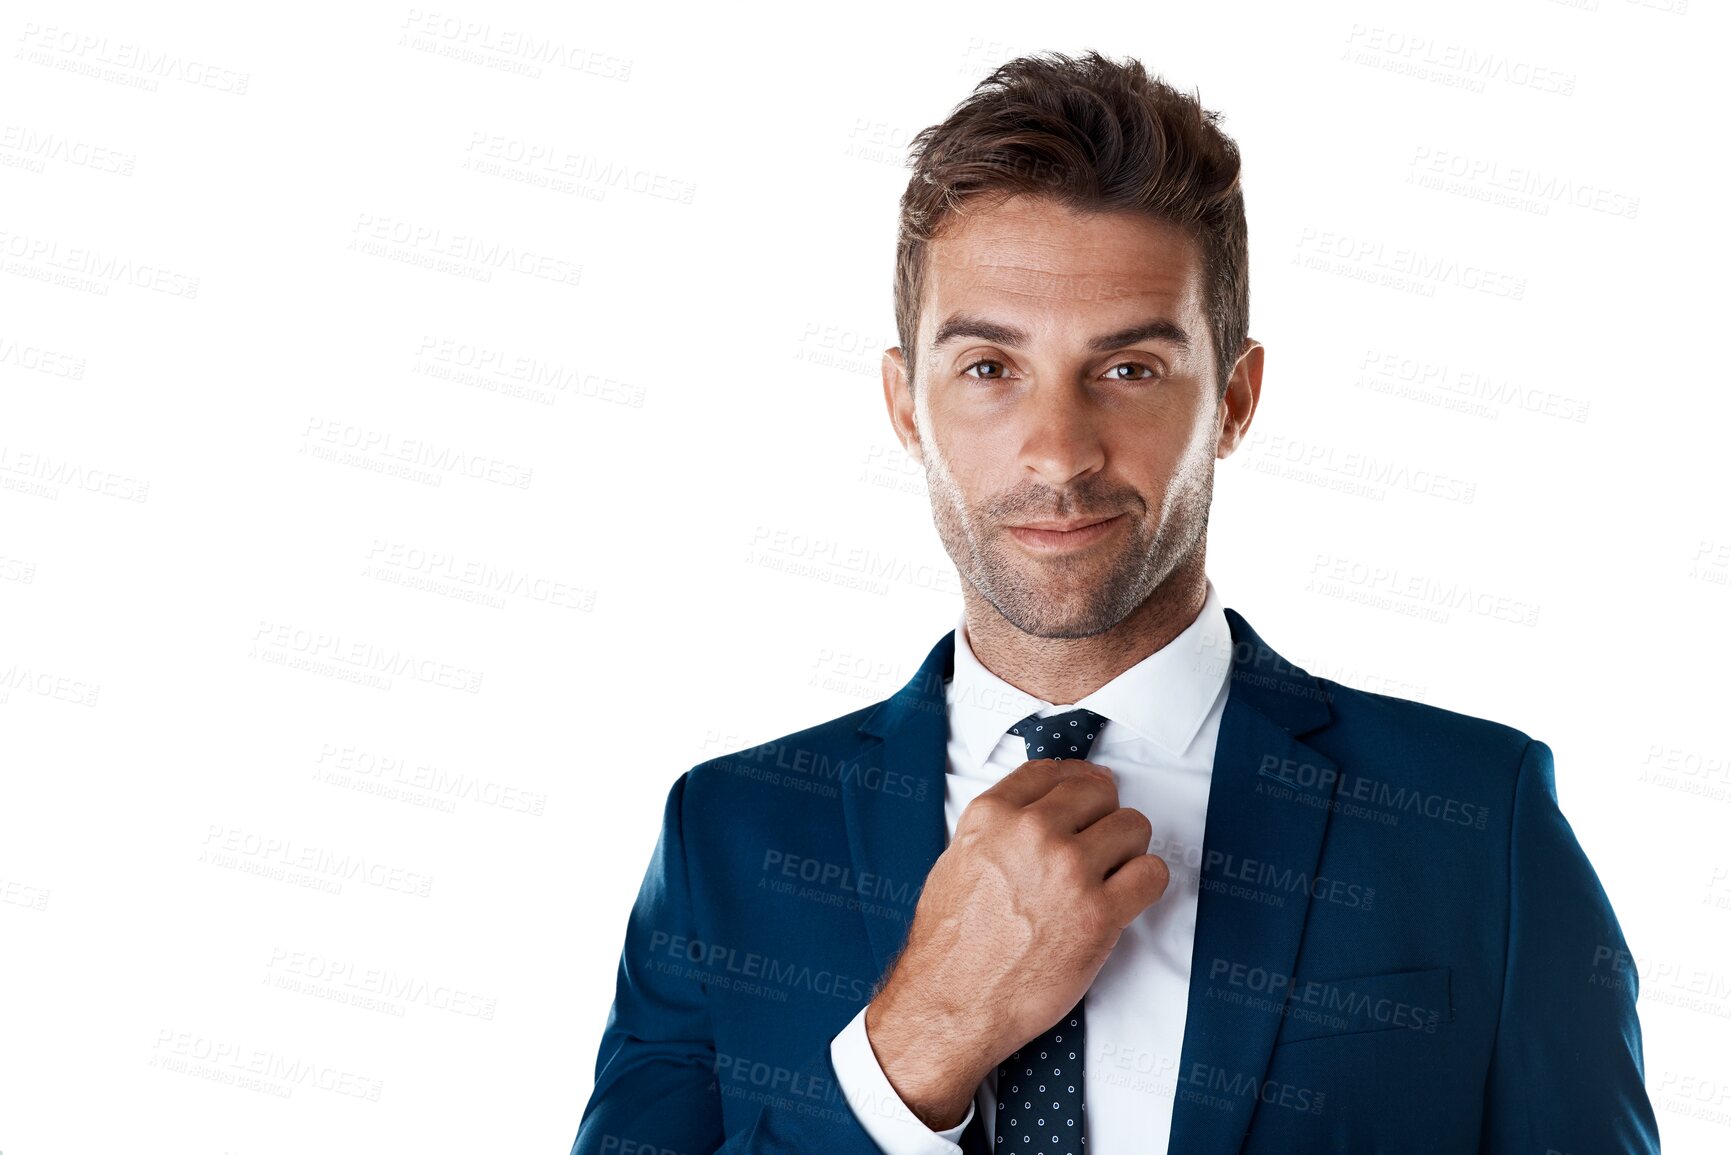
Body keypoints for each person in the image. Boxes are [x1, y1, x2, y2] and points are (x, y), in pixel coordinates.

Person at [569, 49, 1659, 1154]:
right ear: (906, 405)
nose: (1057, 451)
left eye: (1129, 369)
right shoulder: (730, 836)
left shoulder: (1477, 821)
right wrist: (921, 1042)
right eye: (990, 368)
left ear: (1233, 399)